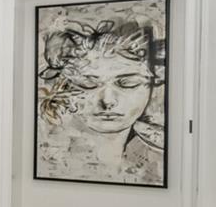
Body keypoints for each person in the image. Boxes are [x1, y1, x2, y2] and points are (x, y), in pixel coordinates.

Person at [37, 16, 165, 185]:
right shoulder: (43, 148)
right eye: (88, 84)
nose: (108, 100)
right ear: (64, 85)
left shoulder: (159, 155)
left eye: (128, 83)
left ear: (152, 84)